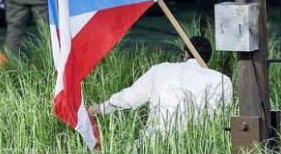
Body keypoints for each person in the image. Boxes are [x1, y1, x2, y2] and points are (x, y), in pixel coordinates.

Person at [86, 36, 230, 140]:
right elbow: (221, 120)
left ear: (186, 54)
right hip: (196, 150)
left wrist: (100, 109)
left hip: (152, 146)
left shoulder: (161, 70)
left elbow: (129, 98)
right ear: (208, 58)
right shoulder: (222, 81)